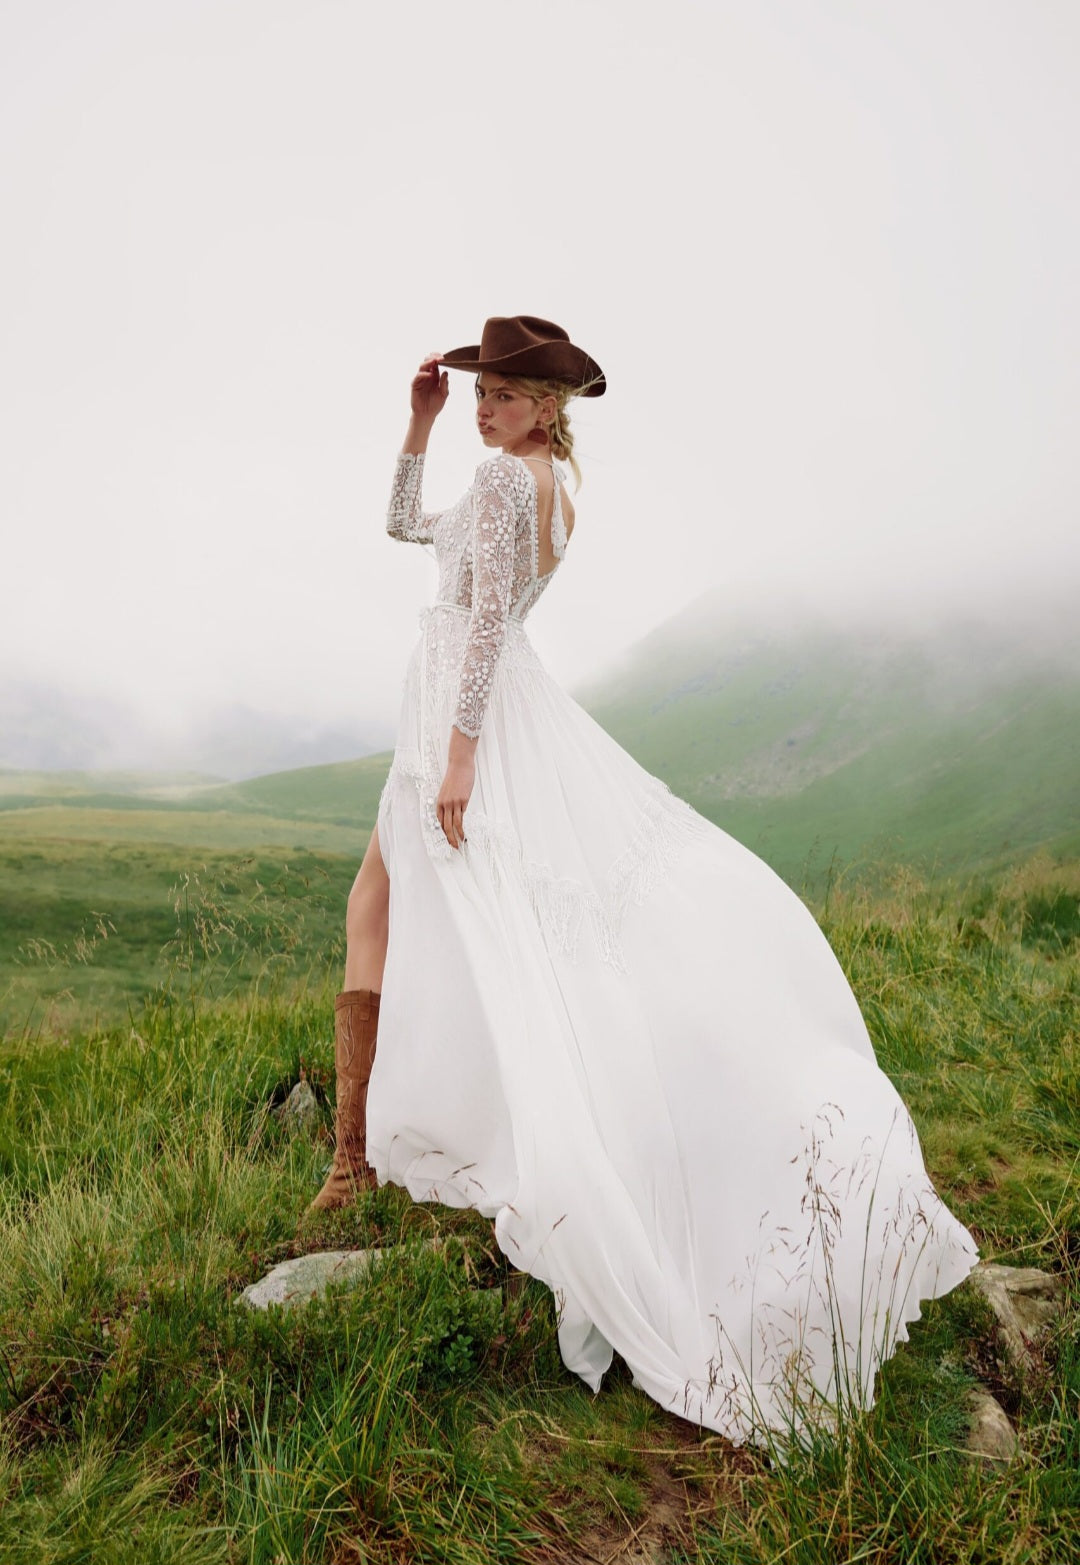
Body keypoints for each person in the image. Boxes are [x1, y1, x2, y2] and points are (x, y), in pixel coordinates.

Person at [310, 315, 979, 1450]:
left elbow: (481, 628)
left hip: (472, 719)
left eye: (508, 394)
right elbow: (399, 527)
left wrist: (463, 751)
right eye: (482, 389)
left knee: (487, 921)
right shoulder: (515, 478)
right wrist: (417, 424)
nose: (489, 406)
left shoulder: (521, 488)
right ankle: (355, 1148)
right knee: (392, 901)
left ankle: (356, 1157)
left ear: (551, 406)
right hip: (449, 711)